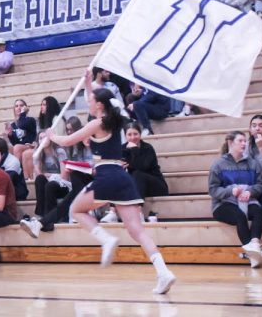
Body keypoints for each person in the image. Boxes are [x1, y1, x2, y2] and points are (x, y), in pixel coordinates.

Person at [44, 68, 176, 295]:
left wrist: (51, 136)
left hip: (107, 176)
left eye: (92, 101)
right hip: (123, 179)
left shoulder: (97, 124)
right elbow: (92, 98)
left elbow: (67, 140)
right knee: (137, 231)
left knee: (76, 210)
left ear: (100, 105)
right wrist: (88, 83)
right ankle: (163, 272)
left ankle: (105, 240)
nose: (89, 102)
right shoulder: (112, 121)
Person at [210, 131, 262, 268]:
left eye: (245, 141)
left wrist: (250, 192)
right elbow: (213, 190)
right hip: (224, 204)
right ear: (230, 143)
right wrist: (230, 191)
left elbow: (261, 185)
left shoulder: (253, 163)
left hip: (248, 201)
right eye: (240, 141)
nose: (244, 144)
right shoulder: (218, 164)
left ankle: (255, 245)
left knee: (258, 211)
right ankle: (254, 253)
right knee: (240, 216)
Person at [122, 122, 169, 203]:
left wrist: (134, 149)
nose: (133, 137)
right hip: (136, 186)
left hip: (156, 186)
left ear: (140, 134)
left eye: (135, 134)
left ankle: (138, 209)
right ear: (125, 136)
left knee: (137, 174)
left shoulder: (147, 148)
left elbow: (141, 167)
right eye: (129, 134)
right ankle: (113, 211)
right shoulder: (122, 149)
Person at [30, 130, 69, 219]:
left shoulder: (59, 151)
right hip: (48, 184)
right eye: (40, 138)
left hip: (62, 185)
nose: (42, 140)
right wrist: (38, 155)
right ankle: (40, 215)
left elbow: (64, 176)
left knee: (50, 185)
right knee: (40, 179)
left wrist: (49, 175)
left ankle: (51, 216)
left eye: (45, 137)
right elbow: (39, 174)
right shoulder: (37, 153)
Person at [6, 99, 37, 178]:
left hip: (30, 145)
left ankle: (15, 173)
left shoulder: (30, 120)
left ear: (25, 108)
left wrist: (23, 113)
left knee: (17, 147)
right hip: (20, 148)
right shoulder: (13, 124)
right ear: (14, 109)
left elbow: (22, 125)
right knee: (12, 147)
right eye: (16, 106)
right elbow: (15, 142)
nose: (19, 108)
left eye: (21, 105)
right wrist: (10, 135)